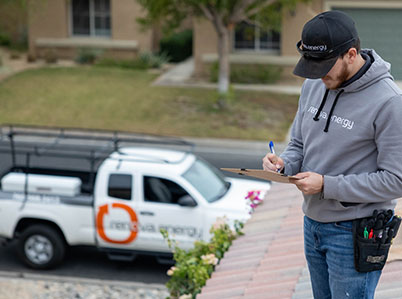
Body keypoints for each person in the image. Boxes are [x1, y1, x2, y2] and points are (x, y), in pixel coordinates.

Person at [262, 10, 402, 299]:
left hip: (354, 231)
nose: (317, 74)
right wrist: (284, 163)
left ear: (351, 54)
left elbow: (396, 180)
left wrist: (327, 185)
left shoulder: (388, 102)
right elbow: (299, 144)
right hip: (312, 223)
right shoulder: (314, 83)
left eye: (324, 66)